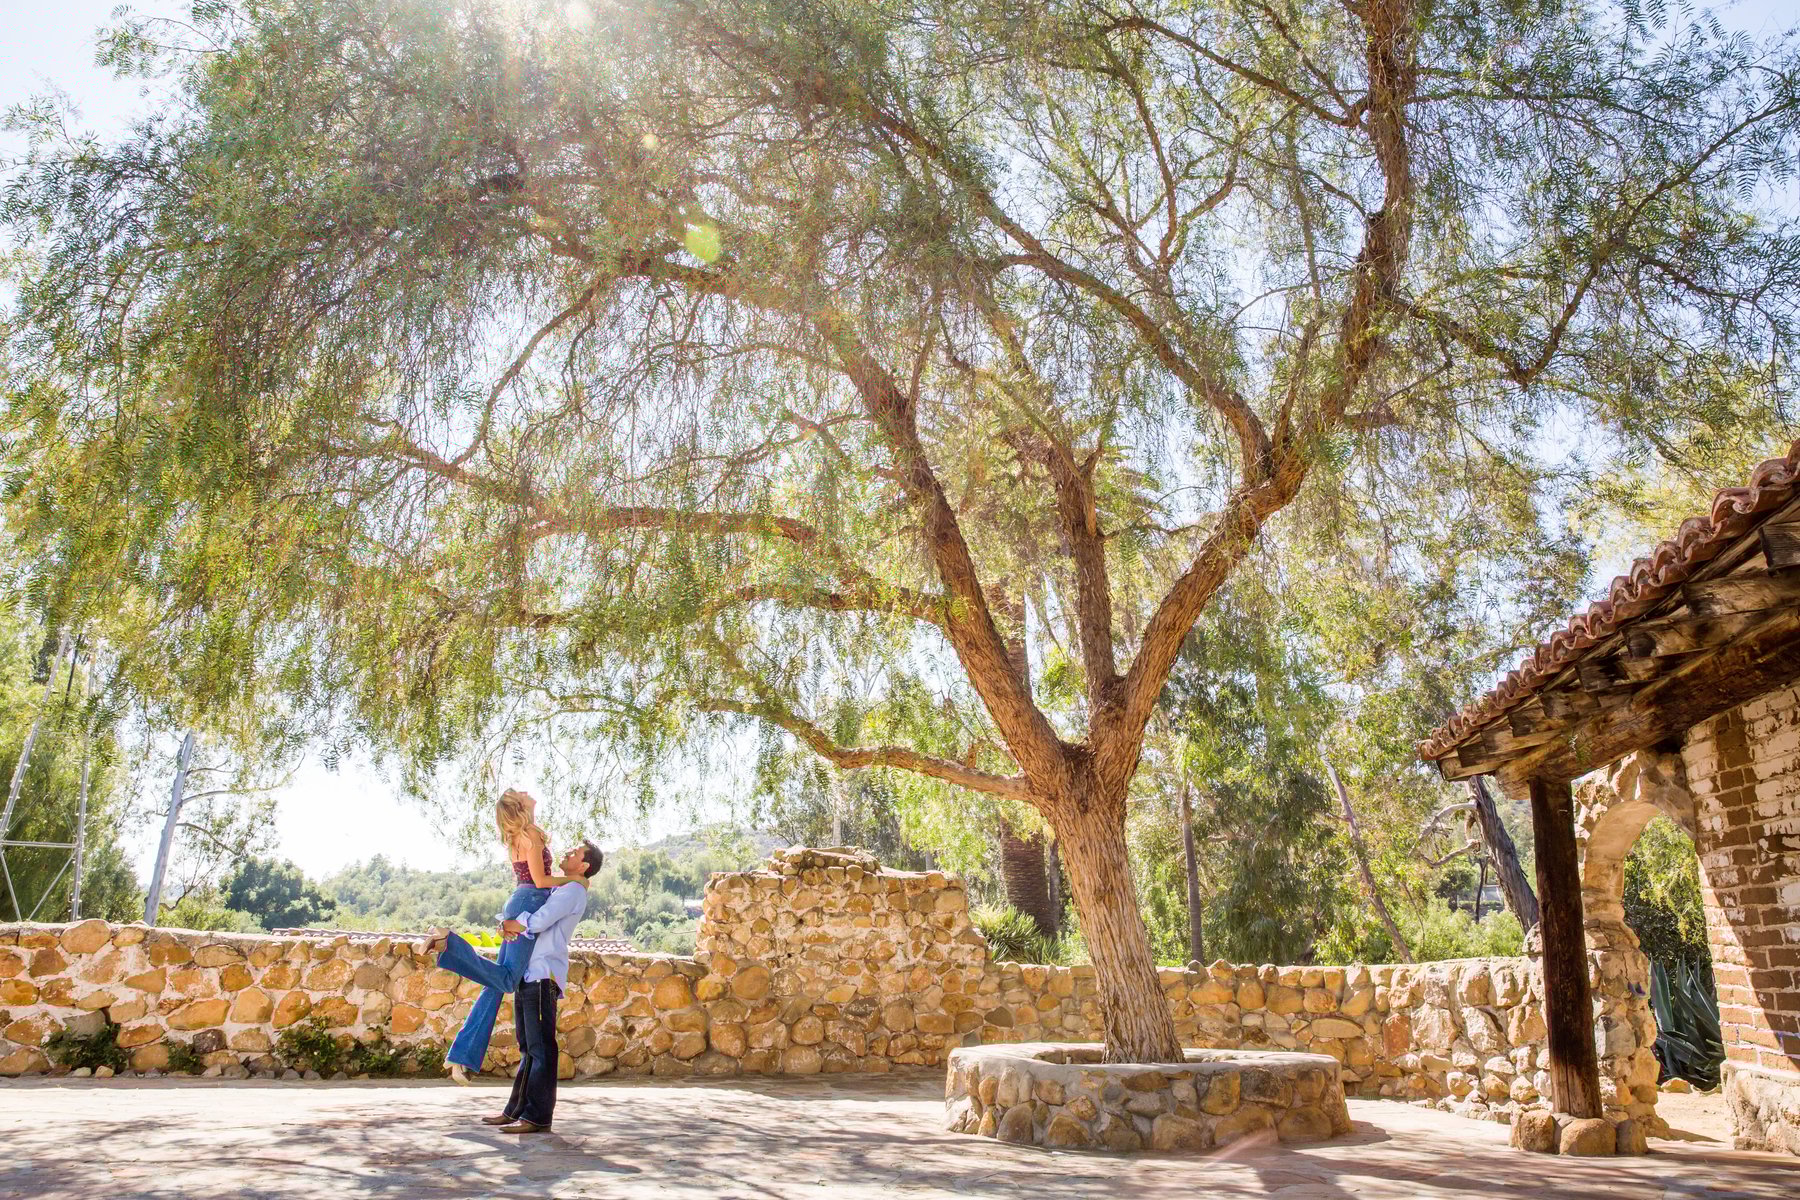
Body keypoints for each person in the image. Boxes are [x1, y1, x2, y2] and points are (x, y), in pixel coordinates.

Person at [426, 839, 602, 1134]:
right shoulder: (563, 887)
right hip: (529, 972)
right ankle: (515, 1111)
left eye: (574, 853)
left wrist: (514, 924)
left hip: (543, 975)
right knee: (528, 1048)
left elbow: (540, 920)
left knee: (540, 1048)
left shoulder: (572, 890)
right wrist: (511, 925)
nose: (567, 853)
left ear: (584, 866)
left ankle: (537, 1117)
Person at [440, 788, 575, 1085]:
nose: (527, 792)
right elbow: (541, 881)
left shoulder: (517, 838)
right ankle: (448, 944)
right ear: (520, 806)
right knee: (507, 980)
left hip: (519, 901)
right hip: (528, 904)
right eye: (520, 793)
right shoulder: (531, 835)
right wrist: (575, 879)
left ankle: (461, 1056)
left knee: (495, 985)